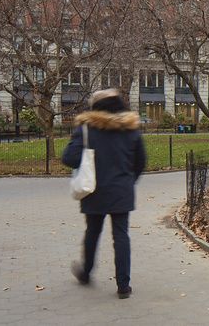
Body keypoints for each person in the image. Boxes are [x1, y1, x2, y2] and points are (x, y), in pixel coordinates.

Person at [62, 88, 146, 299]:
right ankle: (123, 286)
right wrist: (128, 181)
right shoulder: (132, 129)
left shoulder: (87, 129)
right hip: (122, 190)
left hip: (94, 189)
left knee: (93, 232)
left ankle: (86, 273)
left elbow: (69, 158)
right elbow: (141, 162)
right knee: (121, 235)